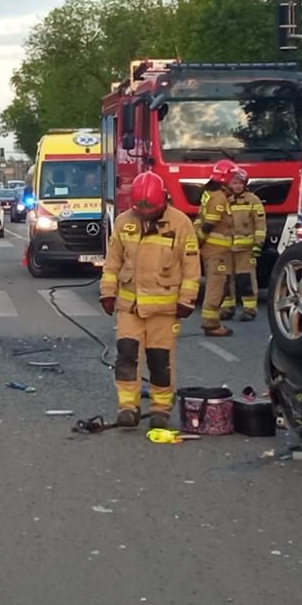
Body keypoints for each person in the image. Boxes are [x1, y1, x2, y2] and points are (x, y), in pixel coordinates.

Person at [98, 172, 200, 429]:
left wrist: (187, 299)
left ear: (163, 201)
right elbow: (112, 262)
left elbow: (191, 266)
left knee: (160, 361)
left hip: (164, 309)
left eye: (149, 211)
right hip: (130, 306)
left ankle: (160, 409)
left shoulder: (181, 224)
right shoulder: (124, 222)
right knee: (126, 356)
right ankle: (128, 408)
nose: (144, 216)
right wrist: (108, 292)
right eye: (139, 211)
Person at [198, 160, 239, 337]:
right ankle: (211, 324)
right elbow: (209, 224)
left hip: (213, 250)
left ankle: (212, 322)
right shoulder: (219, 198)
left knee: (218, 285)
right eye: (233, 178)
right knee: (216, 287)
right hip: (217, 252)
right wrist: (198, 242)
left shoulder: (210, 193)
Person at [222, 168, 266, 322]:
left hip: (245, 249)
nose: (238, 186)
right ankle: (227, 308)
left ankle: (249, 309)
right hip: (226, 248)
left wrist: (257, 244)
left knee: (245, 279)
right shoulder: (224, 200)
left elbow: (260, 224)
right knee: (226, 280)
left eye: (240, 183)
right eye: (234, 183)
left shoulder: (253, 200)